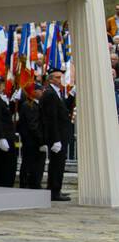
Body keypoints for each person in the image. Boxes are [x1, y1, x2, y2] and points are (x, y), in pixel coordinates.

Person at [40, 67, 72, 201]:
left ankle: (56, 189)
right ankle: (54, 191)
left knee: (59, 164)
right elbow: (51, 118)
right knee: (56, 164)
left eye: (61, 77)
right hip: (57, 135)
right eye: (58, 78)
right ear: (51, 79)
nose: (60, 80)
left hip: (61, 133)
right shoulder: (50, 93)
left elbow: (63, 111)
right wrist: (56, 139)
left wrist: (72, 95)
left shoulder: (57, 93)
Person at [17, 83, 47, 190]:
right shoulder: (29, 105)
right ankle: (26, 185)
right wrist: (41, 141)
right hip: (32, 141)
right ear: (34, 92)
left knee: (37, 165)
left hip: (35, 141)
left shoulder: (37, 104)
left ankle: (35, 184)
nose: (43, 92)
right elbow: (33, 125)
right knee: (29, 164)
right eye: (40, 90)